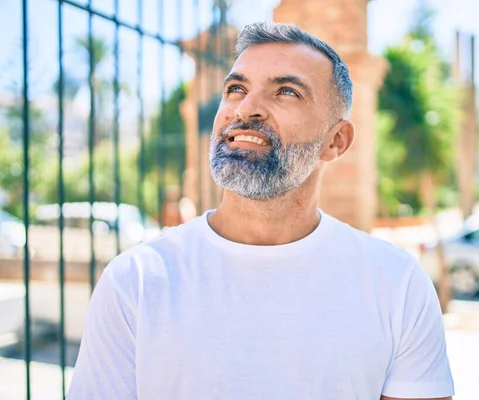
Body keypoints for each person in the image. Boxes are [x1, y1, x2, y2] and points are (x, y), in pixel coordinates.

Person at [67, 21, 454, 400]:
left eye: (286, 91)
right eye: (236, 88)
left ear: (336, 141)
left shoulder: (397, 285)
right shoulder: (134, 282)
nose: (246, 109)